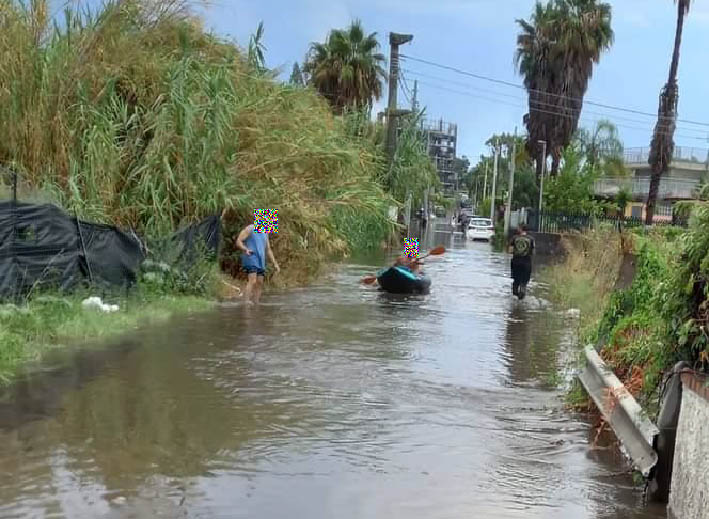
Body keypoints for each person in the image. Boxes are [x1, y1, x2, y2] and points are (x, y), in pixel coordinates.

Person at [236, 222, 280, 304]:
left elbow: (268, 249)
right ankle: (246, 302)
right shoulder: (250, 228)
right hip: (251, 256)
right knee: (252, 280)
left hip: (261, 260)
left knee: (260, 282)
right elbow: (238, 241)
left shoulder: (265, 232)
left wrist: (275, 263)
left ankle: (256, 302)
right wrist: (246, 249)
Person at [508, 224, 535, 300]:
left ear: (520, 229)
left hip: (516, 262)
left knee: (516, 280)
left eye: (518, 228)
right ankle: (522, 296)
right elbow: (533, 252)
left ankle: (515, 296)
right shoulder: (531, 239)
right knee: (524, 281)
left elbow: (510, 251)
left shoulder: (514, 238)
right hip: (526, 263)